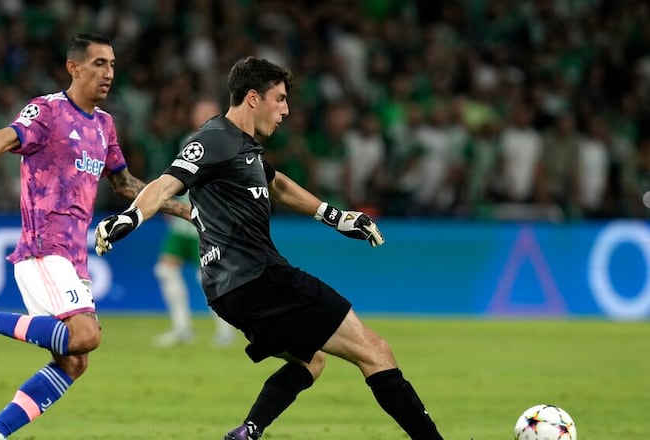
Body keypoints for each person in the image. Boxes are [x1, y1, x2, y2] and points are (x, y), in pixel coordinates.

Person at [94, 56, 445, 439]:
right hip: (261, 277)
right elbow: (166, 182)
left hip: (228, 293)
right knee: (375, 351)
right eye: (279, 99)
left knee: (311, 360)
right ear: (252, 98)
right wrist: (129, 218)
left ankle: (248, 431)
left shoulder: (246, 151)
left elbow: (276, 185)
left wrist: (336, 217)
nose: (286, 110)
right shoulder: (213, 139)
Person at [0, 33, 190, 440]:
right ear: (74, 67)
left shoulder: (104, 125)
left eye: (113, 65)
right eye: (99, 63)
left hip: (73, 259)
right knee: (86, 336)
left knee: (73, 362)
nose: (108, 73)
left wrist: (183, 209)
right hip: (43, 250)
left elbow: (124, 184)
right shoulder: (47, 111)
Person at [152, 97, 236, 347]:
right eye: (201, 112)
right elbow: (180, 176)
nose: (204, 117)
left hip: (206, 222)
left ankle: (225, 330)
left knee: (208, 277)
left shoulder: (227, 145)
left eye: (210, 112)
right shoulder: (187, 141)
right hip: (182, 220)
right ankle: (182, 328)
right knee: (166, 270)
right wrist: (172, 201)